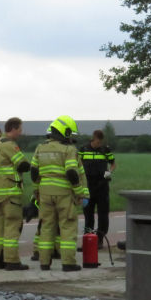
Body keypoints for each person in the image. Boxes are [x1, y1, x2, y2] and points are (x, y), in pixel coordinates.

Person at [30, 116, 89, 271]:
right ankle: (68, 263)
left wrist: (36, 190)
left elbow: (34, 172)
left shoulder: (40, 148)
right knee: (68, 226)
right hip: (64, 194)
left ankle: (44, 262)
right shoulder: (68, 149)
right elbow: (71, 172)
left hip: (45, 193)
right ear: (66, 131)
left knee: (47, 227)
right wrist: (80, 193)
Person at [0, 117, 31, 271]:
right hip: (10, 193)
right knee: (13, 226)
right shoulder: (9, 145)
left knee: (0, 229)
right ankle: (12, 260)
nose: (21, 133)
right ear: (13, 129)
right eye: (20, 130)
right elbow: (23, 165)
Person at [79, 129, 116, 249]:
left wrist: (109, 172)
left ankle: (99, 238)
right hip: (88, 185)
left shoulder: (105, 150)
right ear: (93, 139)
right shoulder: (83, 150)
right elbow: (77, 164)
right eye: (97, 142)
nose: (99, 145)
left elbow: (113, 163)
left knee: (103, 213)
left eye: (100, 142)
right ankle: (88, 238)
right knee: (88, 213)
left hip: (102, 185)